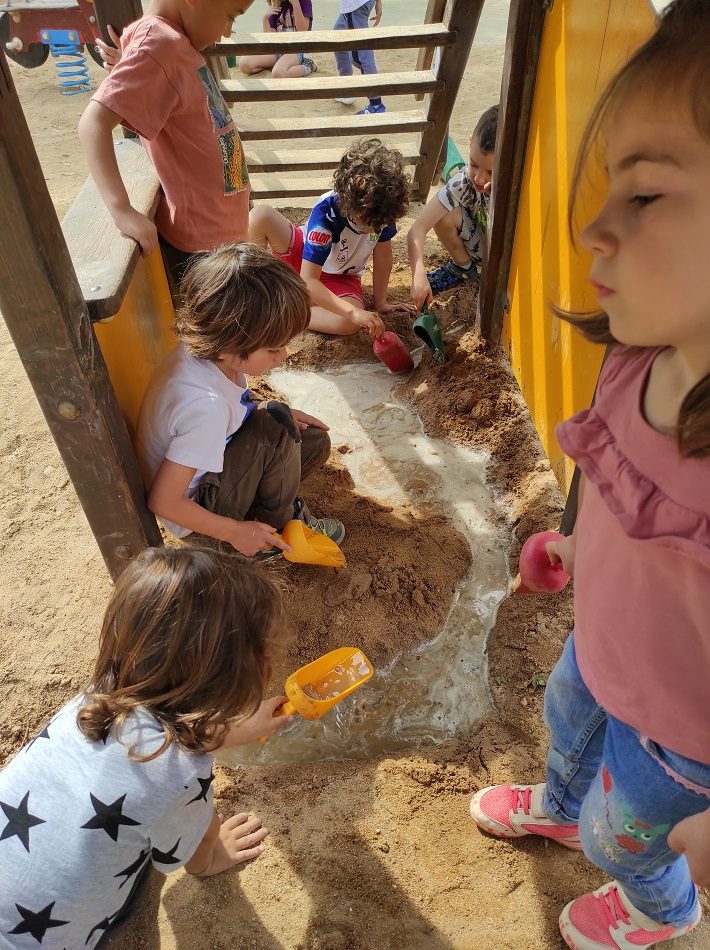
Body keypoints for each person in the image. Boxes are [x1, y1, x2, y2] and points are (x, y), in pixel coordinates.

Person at [469, 3, 710, 947]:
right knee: (567, 712)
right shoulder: (638, 356)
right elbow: (619, 490)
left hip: (682, 737)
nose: (595, 229)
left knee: (627, 837)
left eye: (644, 196)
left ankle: (662, 908)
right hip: (604, 642)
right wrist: (578, 544)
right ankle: (562, 806)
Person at [0, 546, 294, 948]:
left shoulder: (89, 704)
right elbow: (195, 846)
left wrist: (218, 732)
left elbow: (157, 733)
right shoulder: (179, 777)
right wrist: (212, 857)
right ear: (235, 683)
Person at [136, 244, 344, 557]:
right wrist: (233, 531)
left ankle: (260, 508)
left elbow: (235, 406)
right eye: (273, 349)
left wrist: (277, 412)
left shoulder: (211, 353)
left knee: (312, 441)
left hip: (217, 473)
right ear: (229, 346)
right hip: (201, 519)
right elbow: (164, 502)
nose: (283, 355)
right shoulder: (206, 408)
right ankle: (278, 530)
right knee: (276, 428)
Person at [78, 0, 255, 295]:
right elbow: (92, 123)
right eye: (229, 17)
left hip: (219, 229)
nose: (226, 32)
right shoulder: (159, 44)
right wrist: (121, 209)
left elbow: (158, 80)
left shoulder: (168, 43)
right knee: (221, 322)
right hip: (201, 245)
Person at [249, 138, 414, 337]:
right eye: (365, 220)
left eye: (376, 224)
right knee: (261, 215)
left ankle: (289, 313)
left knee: (348, 324)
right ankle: (256, 293)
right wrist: (352, 311)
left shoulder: (383, 213)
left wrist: (381, 303)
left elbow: (383, 258)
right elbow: (309, 280)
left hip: (342, 277)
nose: (370, 228)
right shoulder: (327, 212)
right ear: (347, 202)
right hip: (303, 261)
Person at [408, 105, 498, 307]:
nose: (479, 178)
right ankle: (464, 270)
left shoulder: (521, 193)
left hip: (510, 262)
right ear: (470, 142)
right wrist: (418, 273)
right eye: (474, 164)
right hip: (480, 247)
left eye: (491, 173)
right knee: (444, 214)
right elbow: (417, 229)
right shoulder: (464, 183)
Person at [238, 0, 316, 78]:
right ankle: (280, 64)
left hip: (298, 50)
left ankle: (309, 66)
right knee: (244, 64)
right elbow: (270, 41)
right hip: (278, 50)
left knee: (278, 73)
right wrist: (265, 19)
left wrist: (295, 5)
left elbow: (303, 32)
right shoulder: (276, 3)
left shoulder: (304, 1)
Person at [333, 0, 385, 115]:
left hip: (355, 7)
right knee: (337, 38)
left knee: (361, 56)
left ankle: (376, 104)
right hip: (355, 6)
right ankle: (347, 88)